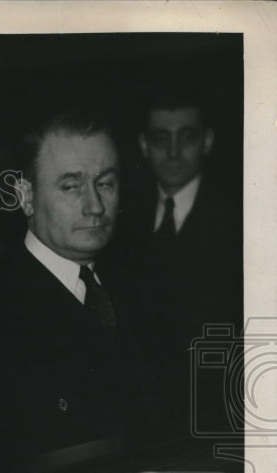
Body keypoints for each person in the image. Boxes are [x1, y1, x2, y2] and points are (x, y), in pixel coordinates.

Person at [0, 111, 157, 473]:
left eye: (105, 183)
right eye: (71, 186)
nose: (94, 206)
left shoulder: (141, 289)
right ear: (26, 196)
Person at [129, 88, 242, 432]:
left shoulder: (242, 219)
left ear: (207, 141)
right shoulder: (120, 218)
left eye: (187, 137)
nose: (174, 153)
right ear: (144, 145)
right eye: (161, 138)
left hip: (216, 415)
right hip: (141, 415)